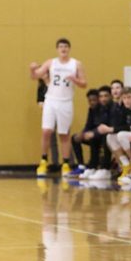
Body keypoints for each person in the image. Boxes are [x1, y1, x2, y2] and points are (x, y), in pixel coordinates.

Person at [32, 37, 87, 177]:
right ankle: (43, 161)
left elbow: (84, 84)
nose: (63, 49)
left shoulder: (76, 64)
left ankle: (66, 164)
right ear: (57, 49)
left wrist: (76, 80)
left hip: (66, 101)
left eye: (66, 46)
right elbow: (35, 76)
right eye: (61, 47)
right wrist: (32, 69)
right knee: (46, 131)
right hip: (51, 100)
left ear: (69, 49)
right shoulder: (51, 63)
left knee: (64, 134)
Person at [71, 89, 103, 174]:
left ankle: (93, 165)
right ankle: (81, 165)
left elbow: (102, 125)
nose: (92, 102)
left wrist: (91, 133)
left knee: (93, 138)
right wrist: (82, 133)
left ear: (98, 99)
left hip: (101, 135)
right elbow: (88, 125)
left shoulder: (103, 109)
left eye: (94, 100)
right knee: (75, 138)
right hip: (92, 133)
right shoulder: (91, 110)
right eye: (90, 101)